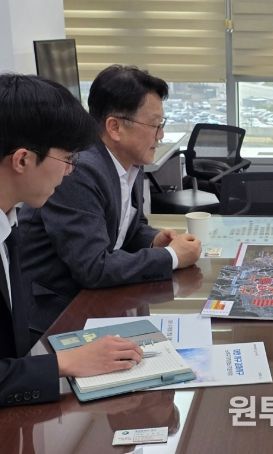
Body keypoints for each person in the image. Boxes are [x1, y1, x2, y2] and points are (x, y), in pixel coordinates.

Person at [18, 65, 201, 340]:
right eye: (154, 125)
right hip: (56, 315)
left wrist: (154, 240)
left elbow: (129, 228)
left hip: (98, 299)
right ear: (115, 127)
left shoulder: (130, 161)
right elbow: (93, 267)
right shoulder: (79, 170)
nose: (160, 135)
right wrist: (171, 256)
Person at [0, 74, 144, 407]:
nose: (69, 171)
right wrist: (63, 363)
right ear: (22, 160)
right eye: (67, 158)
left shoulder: (9, 222)